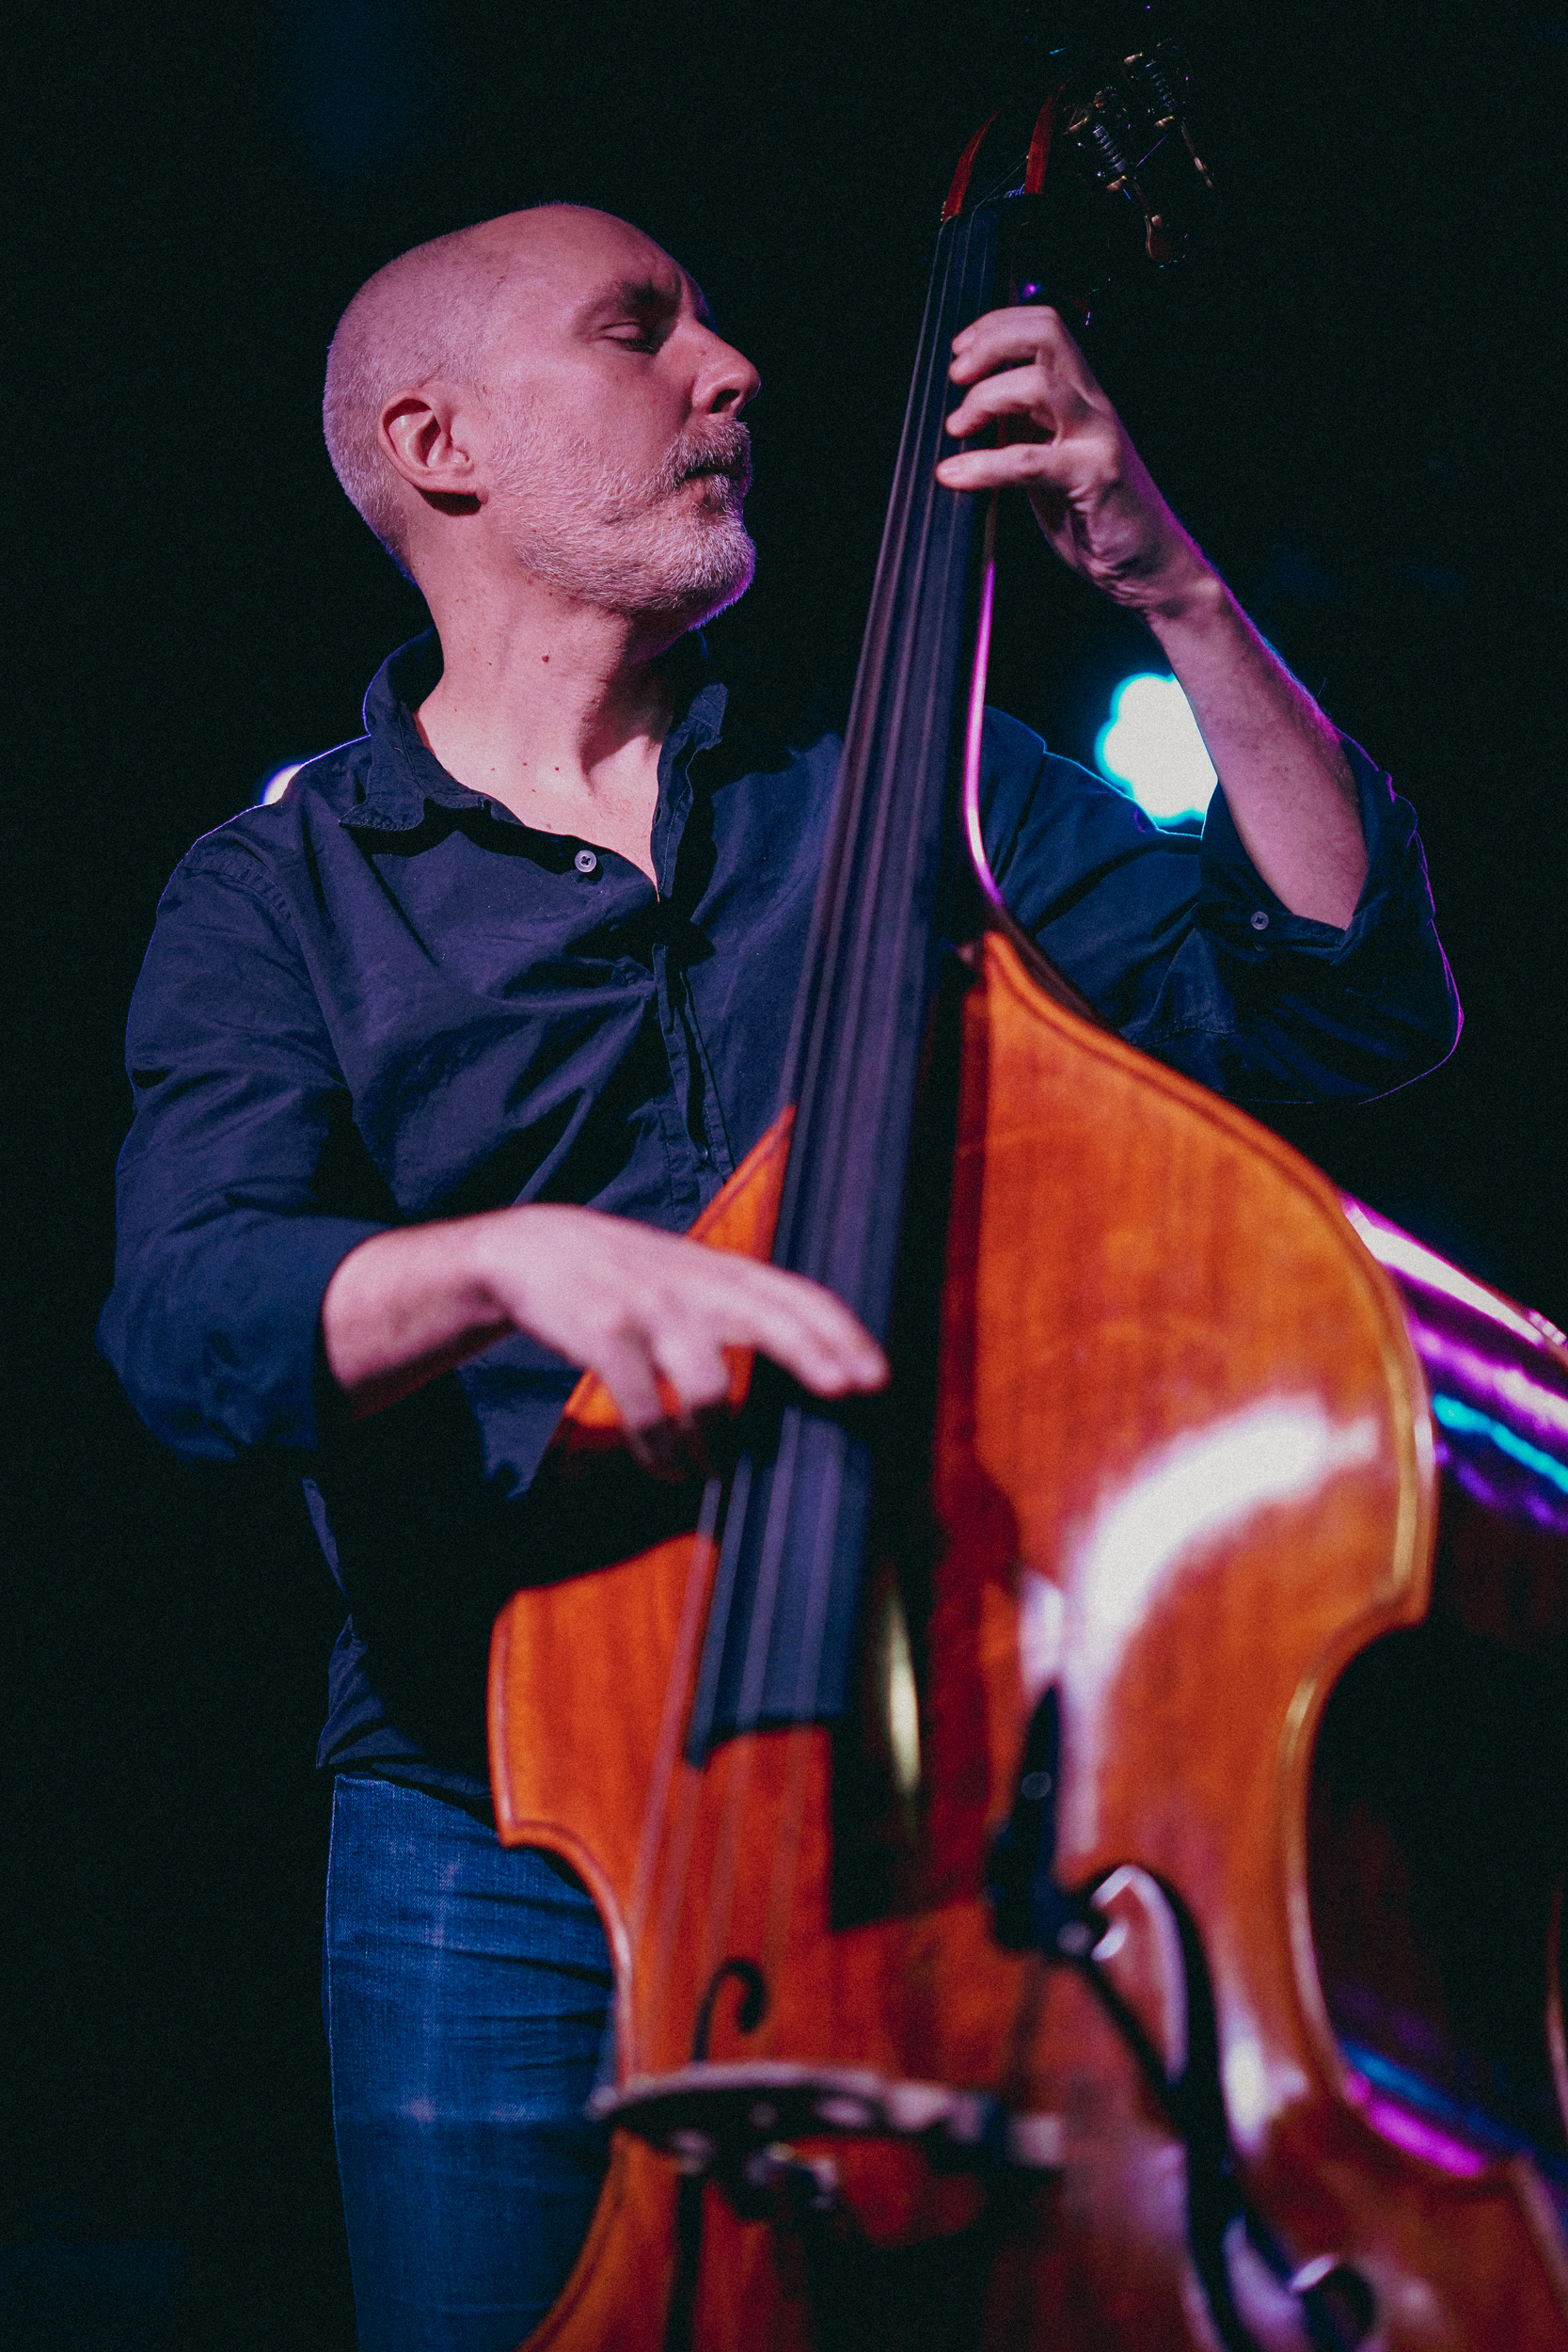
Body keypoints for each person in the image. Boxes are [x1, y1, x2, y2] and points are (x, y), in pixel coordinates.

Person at [98, 203, 1459, 2351]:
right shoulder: (280, 894)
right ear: (438, 444)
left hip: (955, 1772)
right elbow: (191, 1319)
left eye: (714, 328)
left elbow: (1337, 1008)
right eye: (637, 332)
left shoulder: (915, 787)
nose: (729, 372)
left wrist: (1176, 596)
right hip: (495, 1826)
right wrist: (504, 1263)